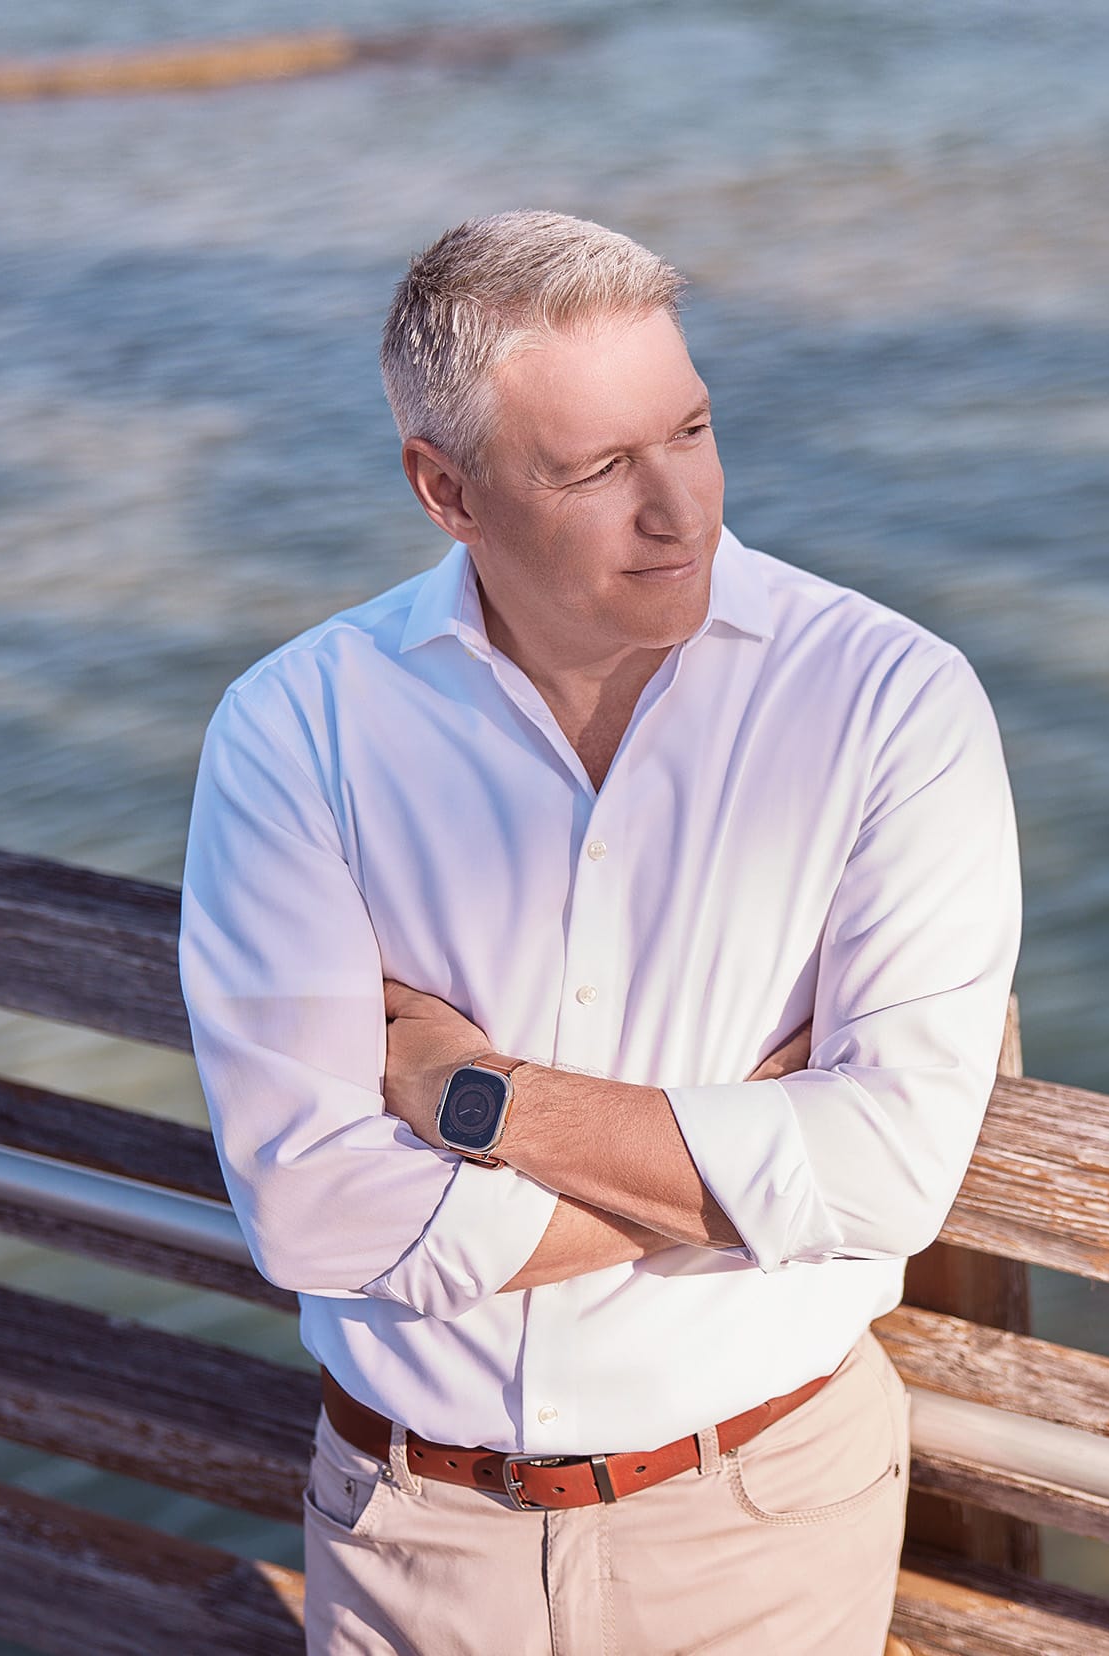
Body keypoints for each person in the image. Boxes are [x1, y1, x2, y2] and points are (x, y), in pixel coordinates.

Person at [179, 209, 1020, 1655]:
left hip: (762, 1521)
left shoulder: (890, 702)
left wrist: (470, 1100)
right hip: (408, 1537)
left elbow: (886, 1175)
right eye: (598, 468)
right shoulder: (300, 727)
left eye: (688, 432)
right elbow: (310, 1211)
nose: (680, 508)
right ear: (446, 491)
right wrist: (747, 1158)